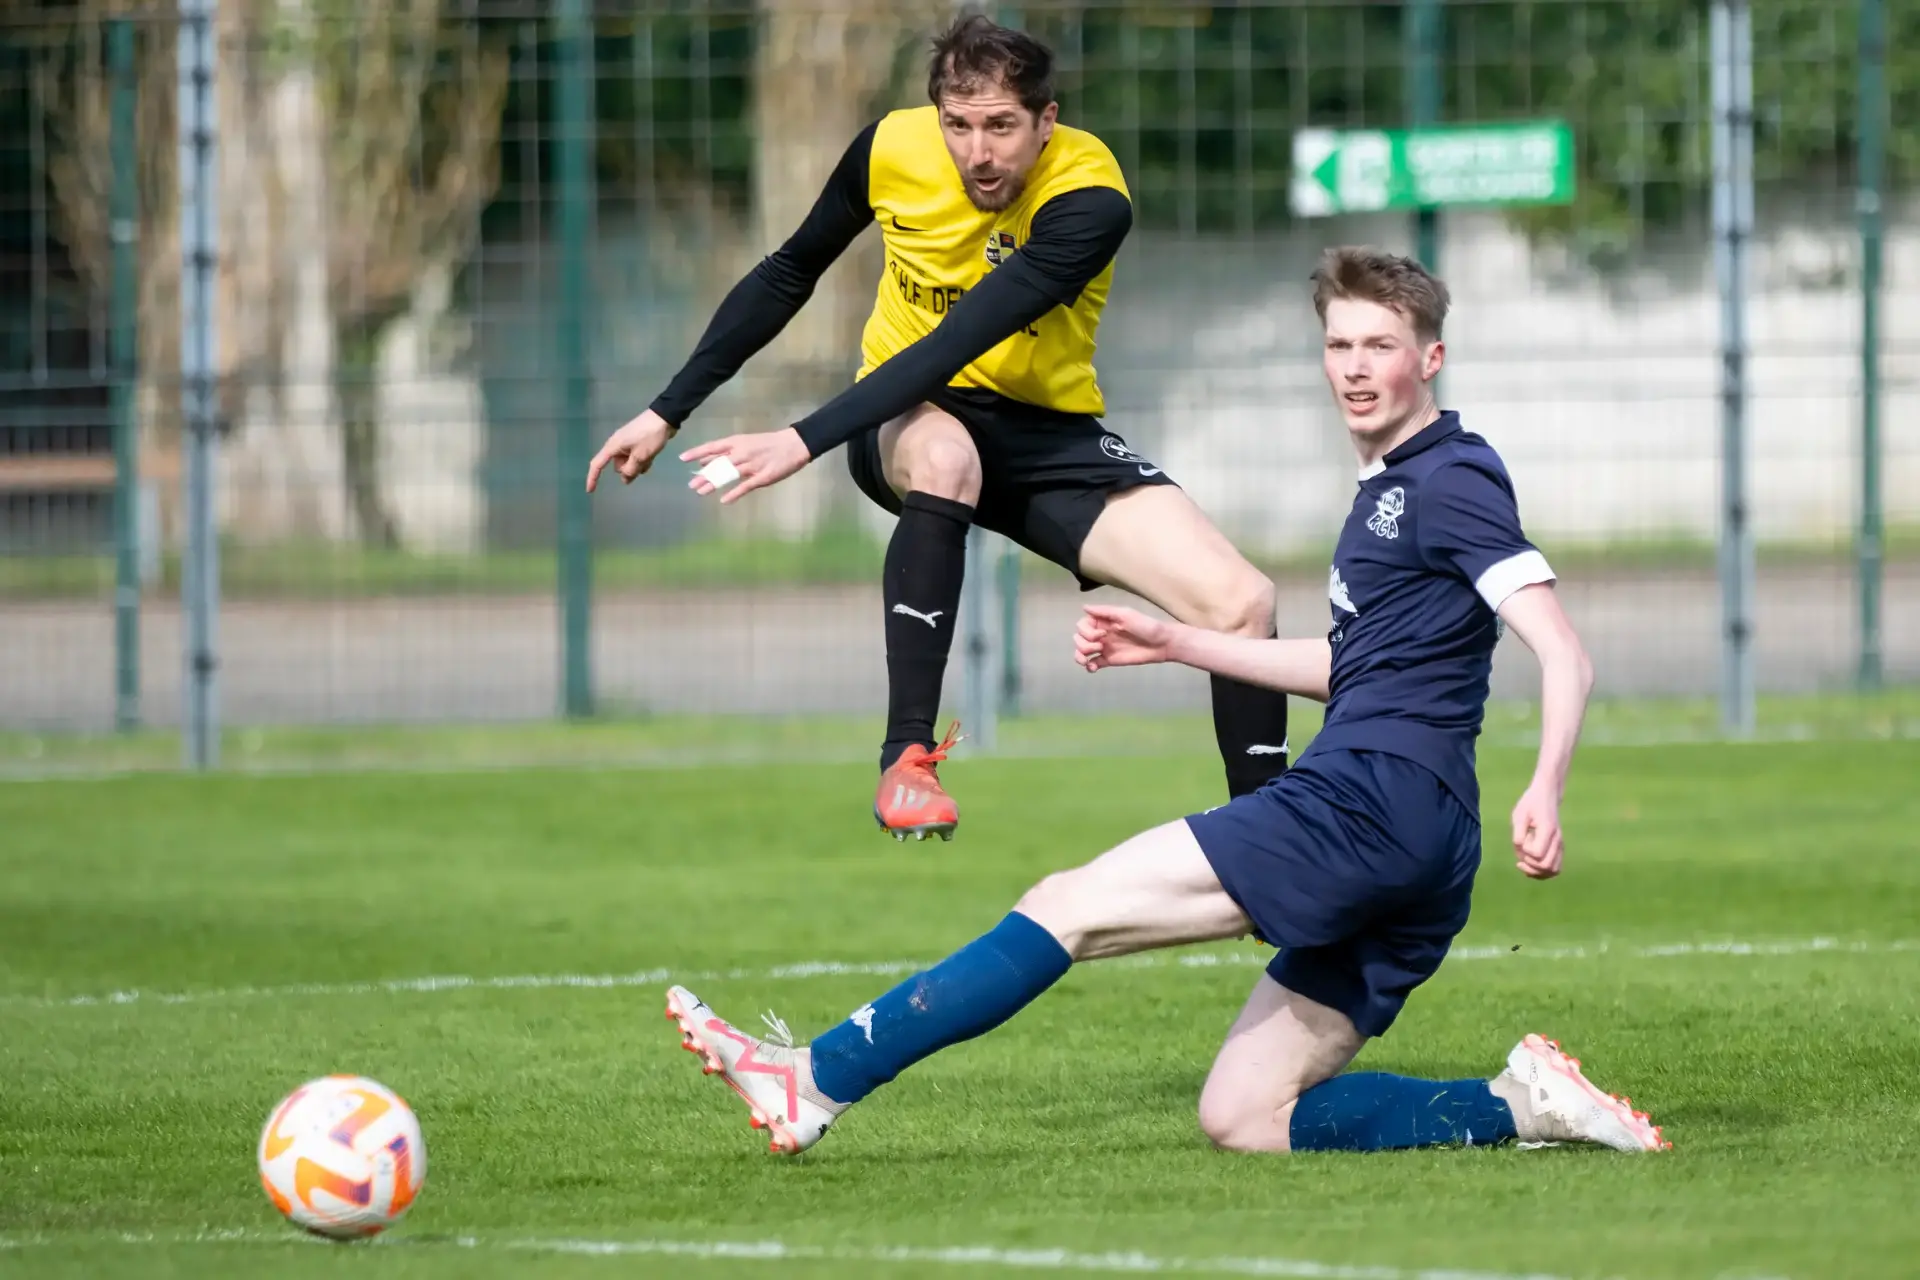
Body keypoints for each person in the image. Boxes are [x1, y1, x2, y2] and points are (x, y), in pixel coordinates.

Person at [661, 246, 1671, 1158]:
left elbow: (1562, 651)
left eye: (1381, 345)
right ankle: (1523, 1102)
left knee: (1067, 905)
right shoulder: (1386, 493)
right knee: (1246, 1115)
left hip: (1369, 802)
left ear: (1431, 358)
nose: (1356, 367)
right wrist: (1182, 639)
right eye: (1338, 344)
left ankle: (814, 1078)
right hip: (1423, 838)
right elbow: (1353, 666)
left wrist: (1545, 785)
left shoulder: (1450, 478)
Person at [585, 14, 1293, 842]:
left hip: (1045, 432)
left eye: (1001, 126)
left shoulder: (1090, 198)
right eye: (958, 125)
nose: (977, 153)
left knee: (1243, 602)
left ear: (1047, 121)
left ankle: (1269, 845)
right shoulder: (890, 149)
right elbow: (790, 271)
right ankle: (906, 760)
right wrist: (668, 408)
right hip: (912, 414)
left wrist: (797, 439)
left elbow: (963, 337)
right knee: (948, 456)